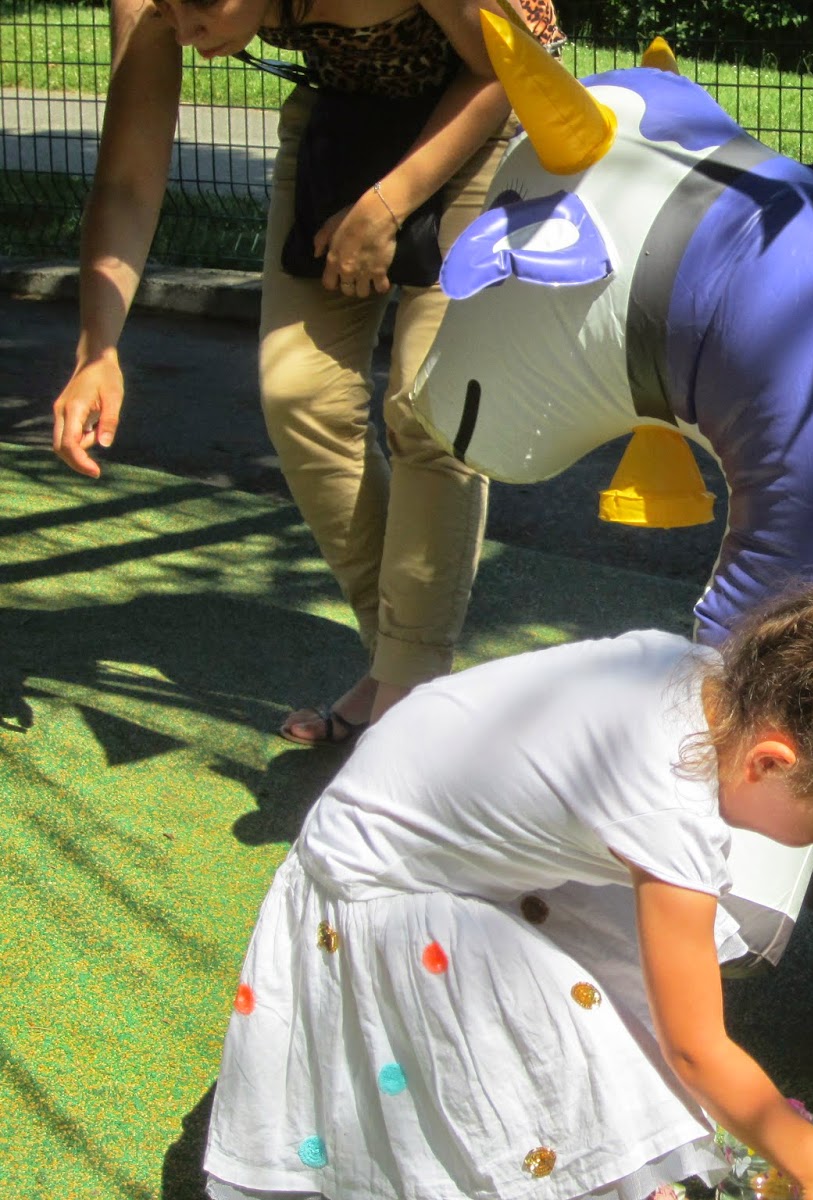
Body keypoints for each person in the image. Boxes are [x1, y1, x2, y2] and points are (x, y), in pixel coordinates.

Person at [202, 583, 813, 1200]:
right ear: (770, 761)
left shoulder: (702, 678)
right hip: (380, 883)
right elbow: (697, 1047)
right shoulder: (665, 799)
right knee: (568, 1059)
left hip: (427, 828)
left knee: (636, 996)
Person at [49, 0, 564, 745]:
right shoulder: (160, 6)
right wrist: (97, 348)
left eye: (203, 9)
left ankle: (408, 704)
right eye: (170, 12)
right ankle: (399, 664)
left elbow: (503, 66)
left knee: (430, 406)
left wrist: (384, 208)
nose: (186, 35)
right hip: (347, 116)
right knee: (300, 392)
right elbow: (128, 179)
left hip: (484, 108)